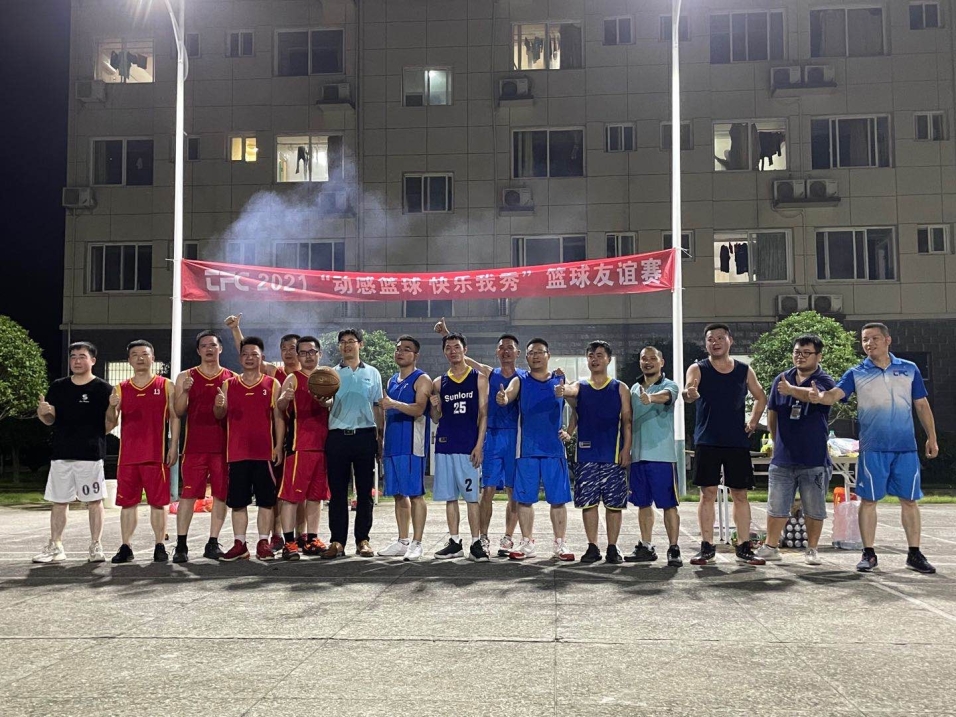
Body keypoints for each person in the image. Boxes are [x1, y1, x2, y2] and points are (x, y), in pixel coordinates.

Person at [796, 323, 939, 574]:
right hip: (873, 448)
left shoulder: (909, 369)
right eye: (864, 340)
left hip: (905, 447)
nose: (869, 343)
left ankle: (914, 554)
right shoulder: (856, 372)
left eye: (874, 338)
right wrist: (820, 397)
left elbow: (921, 405)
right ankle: (869, 553)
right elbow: (835, 394)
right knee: (869, 500)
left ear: (887, 340)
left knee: (909, 500)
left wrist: (932, 437)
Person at [434, 319, 523, 558]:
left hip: (515, 437)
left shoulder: (523, 377)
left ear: (518, 353)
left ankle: (508, 537)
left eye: (510, 348)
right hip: (491, 436)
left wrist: (558, 376)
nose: (505, 351)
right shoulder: (489, 373)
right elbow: (464, 360)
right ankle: (482, 538)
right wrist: (447, 334)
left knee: (513, 489)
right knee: (487, 489)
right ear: (497, 352)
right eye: (501, 348)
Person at [683, 324, 767, 566]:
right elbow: (688, 393)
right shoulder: (698, 368)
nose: (715, 342)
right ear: (706, 344)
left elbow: (761, 396)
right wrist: (690, 394)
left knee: (740, 494)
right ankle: (707, 546)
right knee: (707, 493)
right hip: (707, 440)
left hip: (736, 441)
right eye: (710, 339)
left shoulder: (743, 370)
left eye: (720, 338)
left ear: (730, 340)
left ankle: (744, 546)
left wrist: (753, 421)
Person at [224, 313, 303, 549]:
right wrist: (235, 329)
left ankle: (301, 535)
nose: (288, 352)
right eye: (284, 348)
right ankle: (274, 535)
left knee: (295, 491)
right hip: (271, 439)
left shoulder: (311, 375)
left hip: (299, 436)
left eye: (293, 348)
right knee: (273, 491)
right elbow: (249, 353)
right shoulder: (274, 373)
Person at [755, 334, 835, 566]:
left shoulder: (824, 380)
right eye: (797, 352)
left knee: (814, 507)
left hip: (813, 457)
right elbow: (773, 413)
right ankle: (771, 546)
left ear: (819, 356)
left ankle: (812, 549)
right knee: (776, 505)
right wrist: (775, 440)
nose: (800, 357)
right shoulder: (782, 379)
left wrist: (792, 391)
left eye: (806, 353)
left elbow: (818, 398)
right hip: (783, 457)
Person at [33, 342, 114, 564]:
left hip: (90, 455)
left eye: (82, 356)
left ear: (93, 360)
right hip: (61, 454)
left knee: (94, 501)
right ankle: (56, 546)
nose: (77, 361)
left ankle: (96, 545)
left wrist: (112, 410)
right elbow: (50, 420)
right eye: (73, 357)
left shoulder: (103, 389)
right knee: (59, 502)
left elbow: (109, 425)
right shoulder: (58, 386)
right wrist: (43, 412)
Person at [497, 338, 573, 561]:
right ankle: (527, 542)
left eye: (540, 352)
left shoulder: (560, 380)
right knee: (525, 500)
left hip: (554, 449)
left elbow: (578, 407)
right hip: (526, 450)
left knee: (557, 500)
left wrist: (569, 431)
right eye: (532, 353)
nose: (536, 356)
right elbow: (509, 394)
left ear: (548, 355)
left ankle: (560, 543)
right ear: (526, 357)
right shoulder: (520, 380)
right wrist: (503, 398)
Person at [559, 341, 631, 564]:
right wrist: (562, 388)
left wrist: (626, 449)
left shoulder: (620, 388)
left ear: (608, 359)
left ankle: (612, 547)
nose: (595, 359)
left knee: (614, 505)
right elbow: (573, 401)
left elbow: (627, 422)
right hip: (586, 456)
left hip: (612, 455)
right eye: (591, 355)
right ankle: (592, 546)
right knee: (588, 504)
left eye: (599, 355)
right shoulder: (580, 386)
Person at [108, 340, 180, 564]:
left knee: (158, 503)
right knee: (128, 504)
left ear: (152, 357)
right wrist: (111, 406)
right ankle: (126, 546)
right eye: (135, 354)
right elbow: (110, 423)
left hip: (156, 455)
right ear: (129, 360)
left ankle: (159, 545)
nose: (140, 358)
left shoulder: (166, 385)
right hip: (128, 457)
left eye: (144, 354)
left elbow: (175, 417)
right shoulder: (120, 388)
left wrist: (173, 446)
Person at [214, 336, 284, 562]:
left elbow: (278, 417)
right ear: (239, 358)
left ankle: (263, 542)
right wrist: (218, 406)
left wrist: (278, 446)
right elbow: (220, 415)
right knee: (238, 502)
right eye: (245, 354)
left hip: (264, 453)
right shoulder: (228, 384)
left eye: (254, 354)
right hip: (236, 453)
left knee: (266, 501)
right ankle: (240, 544)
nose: (250, 358)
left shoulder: (272, 384)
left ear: (262, 357)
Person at [172, 330, 236, 562]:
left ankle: (213, 542)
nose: (209, 349)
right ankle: (181, 545)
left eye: (213, 345)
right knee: (188, 495)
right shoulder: (185, 376)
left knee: (220, 495)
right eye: (204, 346)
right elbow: (178, 410)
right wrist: (185, 391)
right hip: (194, 447)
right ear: (198, 350)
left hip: (222, 448)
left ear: (221, 349)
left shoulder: (231, 379)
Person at [321, 328, 384, 559]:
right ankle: (337, 541)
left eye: (351, 341)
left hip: (365, 435)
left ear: (360, 344)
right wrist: (323, 401)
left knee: (365, 492)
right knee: (337, 493)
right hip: (337, 436)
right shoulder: (331, 374)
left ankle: (362, 540)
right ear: (339, 346)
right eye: (343, 342)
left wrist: (380, 437)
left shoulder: (373, 373)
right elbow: (326, 402)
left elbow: (378, 406)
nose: (347, 345)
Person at [431, 333, 490, 561]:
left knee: (471, 497)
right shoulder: (439, 382)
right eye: (448, 347)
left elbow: (483, 414)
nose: (453, 351)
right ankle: (455, 542)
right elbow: (436, 418)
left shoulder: (478, 378)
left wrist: (479, 445)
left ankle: (476, 542)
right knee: (450, 497)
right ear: (444, 352)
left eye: (456, 347)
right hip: (445, 444)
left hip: (468, 446)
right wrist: (435, 406)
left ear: (465, 349)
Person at [625, 346, 683, 567]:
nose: (647, 362)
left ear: (662, 362)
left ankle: (674, 548)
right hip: (638, 456)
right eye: (644, 358)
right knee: (642, 504)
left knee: (669, 505)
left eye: (652, 358)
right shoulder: (634, 388)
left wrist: (650, 398)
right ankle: (646, 545)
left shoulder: (670, 385)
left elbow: (666, 397)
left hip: (662, 457)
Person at [275, 336, 331, 560]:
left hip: (323, 446)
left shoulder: (327, 377)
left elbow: (331, 404)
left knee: (316, 497)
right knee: (291, 497)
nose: (308, 356)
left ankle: (311, 539)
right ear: (298, 356)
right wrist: (284, 398)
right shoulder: (293, 378)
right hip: (299, 446)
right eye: (304, 352)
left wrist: (325, 401)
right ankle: (289, 542)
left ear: (320, 354)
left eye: (312, 352)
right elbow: (280, 407)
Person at [376, 336, 431, 562]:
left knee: (415, 494)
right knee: (399, 495)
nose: (400, 352)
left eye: (407, 349)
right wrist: (380, 439)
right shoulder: (392, 380)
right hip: (392, 444)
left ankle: (417, 543)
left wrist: (394, 404)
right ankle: (403, 541)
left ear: (416, 355)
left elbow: (419, 408)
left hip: (411, 445)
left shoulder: (422, 379)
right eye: (398, 349)